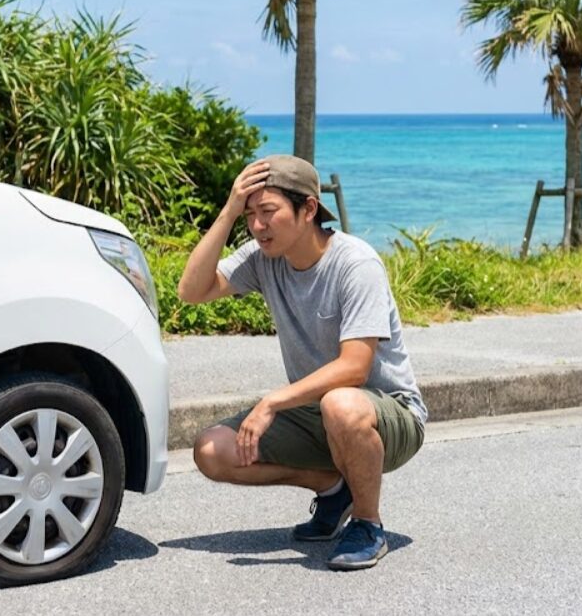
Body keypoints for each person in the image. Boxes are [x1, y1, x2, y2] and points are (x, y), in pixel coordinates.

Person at [176, 154, 427, 571]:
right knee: (212, 450)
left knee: (341, 403)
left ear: (308, 209)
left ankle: (368, 523)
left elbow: (355, 368)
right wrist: (227, 211)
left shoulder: (355, 264)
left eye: (268, 212)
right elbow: (191, 290)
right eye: (250, 215)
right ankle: (334, 489)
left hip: (390, 411)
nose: (258, 226)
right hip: (319, 413)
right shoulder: (263, 258)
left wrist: (272, 402)